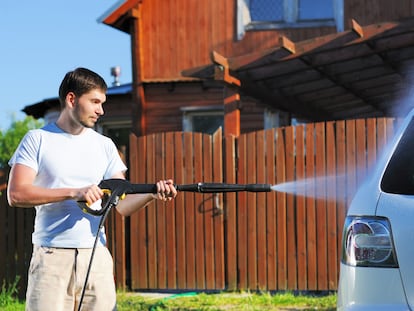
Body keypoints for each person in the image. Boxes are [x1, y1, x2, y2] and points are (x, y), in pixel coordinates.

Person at [7, 67, 177, 311]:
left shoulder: (105, 146)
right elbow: (17, 194)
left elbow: (122, 206)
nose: (101, 110)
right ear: (71, 99)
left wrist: (152, 193)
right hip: (52, 258)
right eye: (95, 101)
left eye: (102, 103)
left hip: (96, 258)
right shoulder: (38, 139)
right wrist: (74, 192)